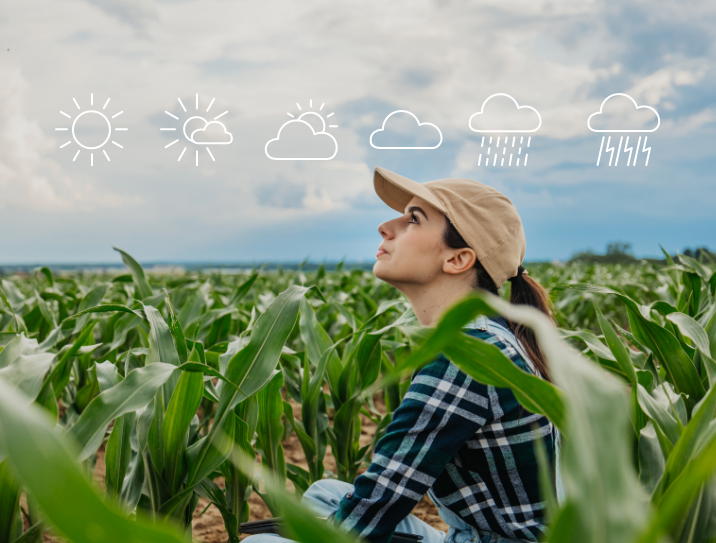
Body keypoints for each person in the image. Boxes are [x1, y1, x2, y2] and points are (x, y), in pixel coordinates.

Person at [244, 167, 560, 543]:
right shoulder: (488, 336)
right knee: (324, 494)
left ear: (458, 260)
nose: (385, 226)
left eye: (413, 219)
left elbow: (375, 507)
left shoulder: (465, 358)